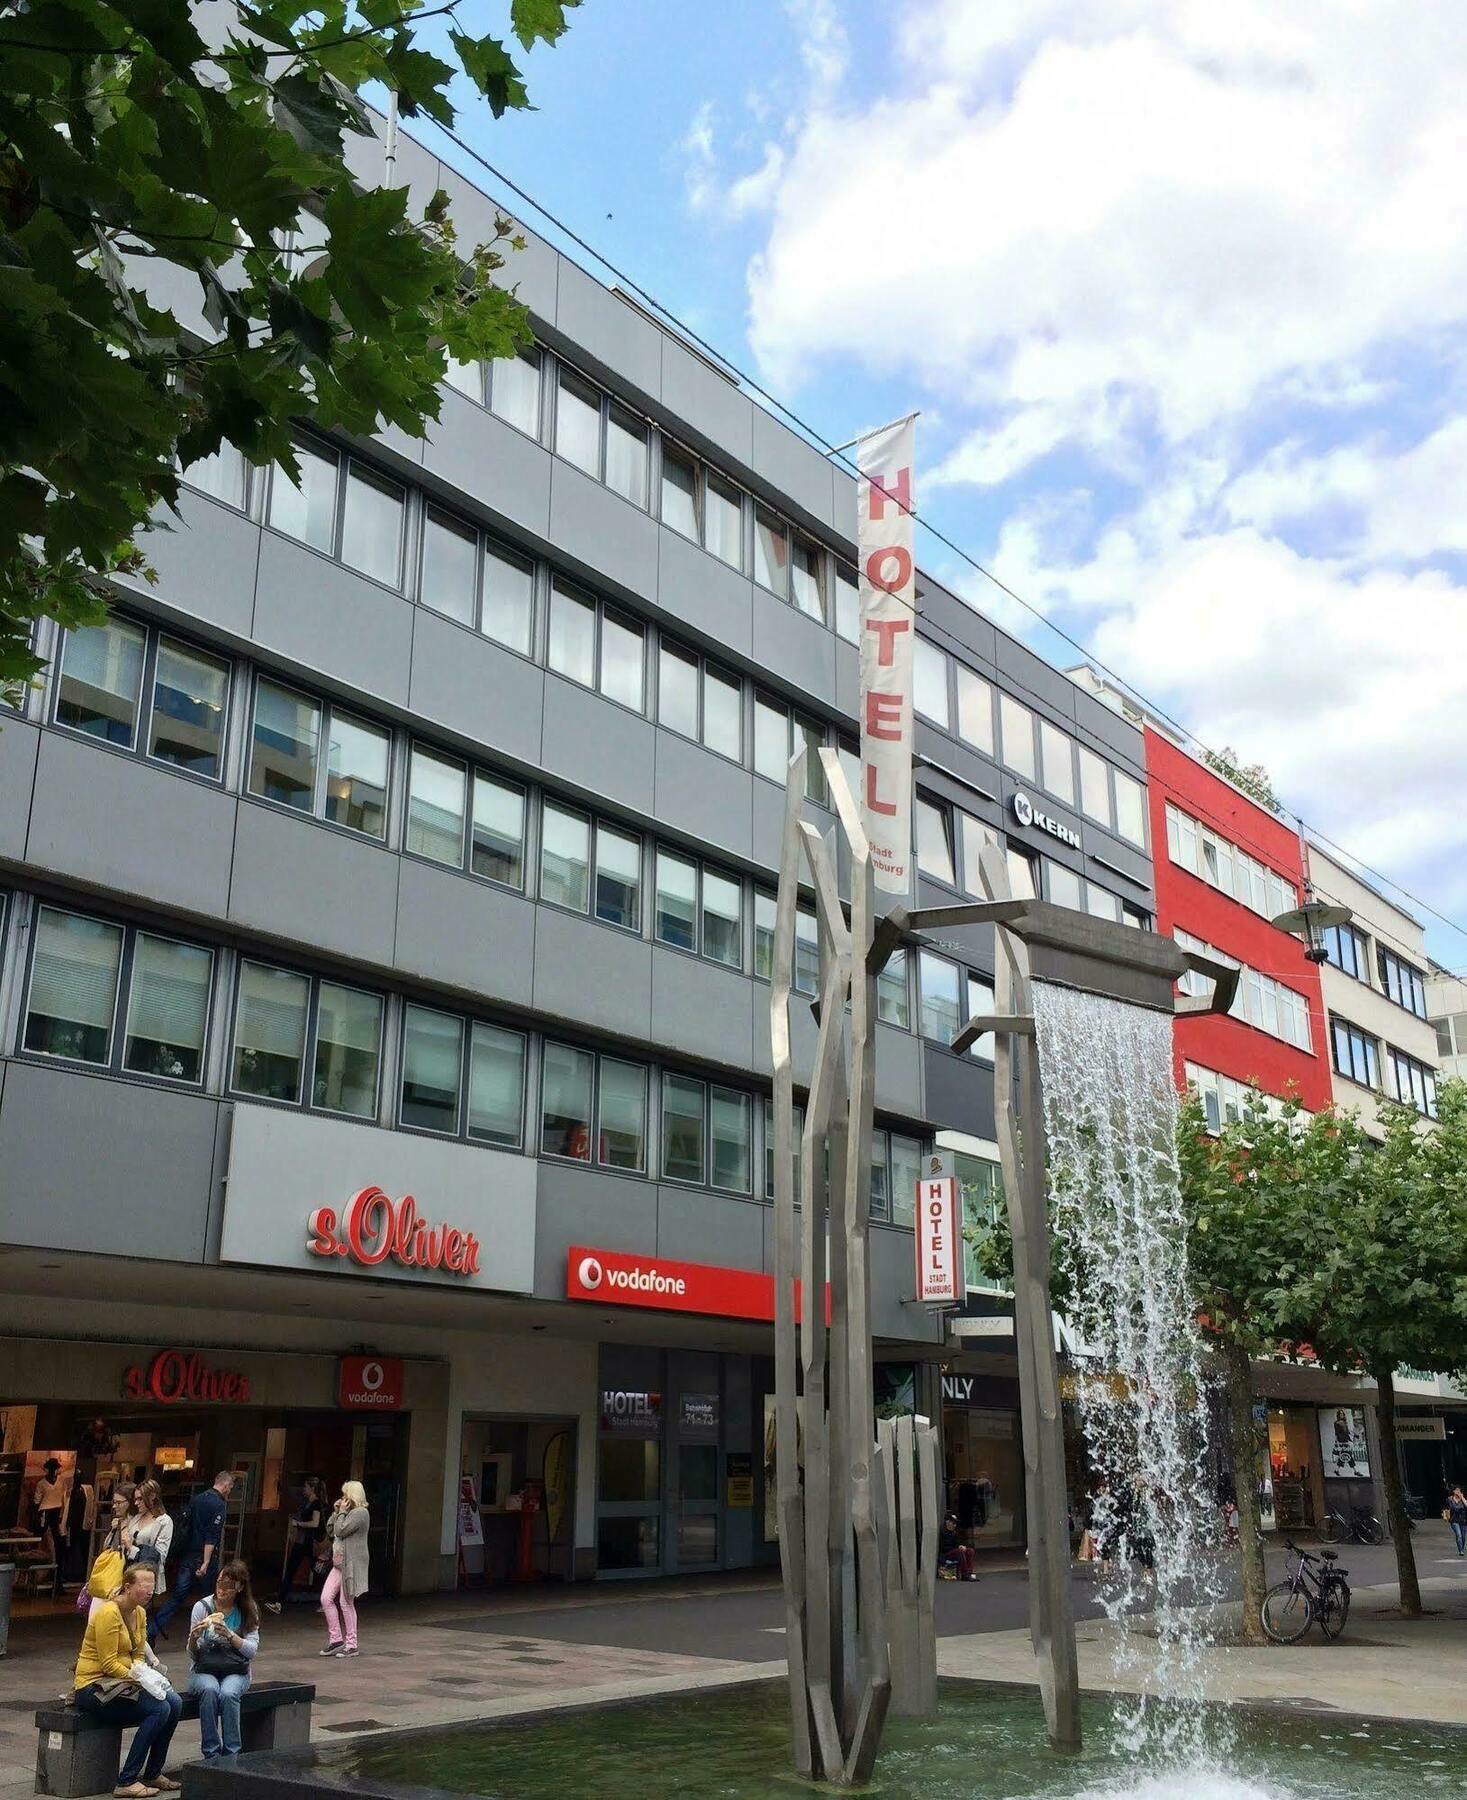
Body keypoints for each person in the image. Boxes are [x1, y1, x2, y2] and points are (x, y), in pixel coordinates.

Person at [73, 1563, 183, 1798]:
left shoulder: (140, 1613)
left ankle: (153, 1772)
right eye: (144, 1585)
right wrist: (140, 1679)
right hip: (94, 1685)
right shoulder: (108, 1613)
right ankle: (127, 1779)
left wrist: (146, 1675)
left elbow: (138, 1655)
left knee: (175, 1703)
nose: (149, 1591)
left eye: (152, 1586)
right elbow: (108, 1664)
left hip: (122, 1682)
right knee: (158, 1709)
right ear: (127, 1586)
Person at [186, 1560, 260, 1760]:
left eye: (229, 1585)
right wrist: (194, 1637)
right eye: (219, 1583)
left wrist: (230, 1635)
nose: (222, 1589)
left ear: (240, 1587)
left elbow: (252, 1651)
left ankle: (232, 1754)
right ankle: (211, 1753)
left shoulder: (248, 1609)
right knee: (210, 1690)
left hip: (236, 1670)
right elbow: (193, 1655)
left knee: (228, 1693)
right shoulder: (202, 1607)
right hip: (204, 1669)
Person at [151, 1471, 232, 1643]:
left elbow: (185, 1525)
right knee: (212, 1598)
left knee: (177, 1596)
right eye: (230, 1488)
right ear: (225, 1485)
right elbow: (212, 1534)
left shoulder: (197, 1498)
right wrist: (206, 1561)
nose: (229, 1492)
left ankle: (152, 1630)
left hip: (188, 1555)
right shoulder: (218, 1505)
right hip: (203, 1556)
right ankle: (211, 1636)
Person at [320, 1481, 369, 1657]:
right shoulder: (345, 1513)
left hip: (351, 1565)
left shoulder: (361, 1514)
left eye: (345, 1495)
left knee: (346, 1603)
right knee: (326, 1598)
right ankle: (336, 1639)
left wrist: (340, 1513)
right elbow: (331, 1529)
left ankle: (352, 1643)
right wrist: (335, 1512)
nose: (342, 1498)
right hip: (339, 1564)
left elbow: (341, 1530)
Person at [265, 1477, 325, 1615]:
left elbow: (315, 1523)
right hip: (302, 1541)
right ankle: (280, 1601)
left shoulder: (315, 1504)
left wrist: (298, 1524)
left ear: (312, 1488)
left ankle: (327, 1599)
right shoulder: (306, 1503)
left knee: (313, 1570)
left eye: (306, 1487)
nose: (304, 1489)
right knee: (309, 1570)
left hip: (308, 1541)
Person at [129, 1483, 174, 1622]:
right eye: (135, 1499)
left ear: (153, 1496)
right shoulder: (136, 1518)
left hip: (146, 1575)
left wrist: (132, 1549)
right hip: (128, 1572)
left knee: (138, 1618)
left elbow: (160, 1555)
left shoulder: (164, 1521)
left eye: (140, 1499)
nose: (136, 1503)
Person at [34, 1457, 70, 1566]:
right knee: (42, 1534)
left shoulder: (61, 1481)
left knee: (57, 1535)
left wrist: (63, 1512)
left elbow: (64, 1497)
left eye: (54, 1469)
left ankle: (58, 1561)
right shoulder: (41, 1483)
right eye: (51, 1469)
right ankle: (39, 1556)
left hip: (57, 1510)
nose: (52, 1471)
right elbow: (37, 1499)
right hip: (45, 1510)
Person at [938, 1513, 977, 1581]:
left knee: (970, 1550)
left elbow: (957, 1543)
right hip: (946, 1553)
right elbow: (944, 1547)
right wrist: (958, 1548)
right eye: (953, 1523)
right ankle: (964, 1574)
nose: (954, 1525)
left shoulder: (954, 1533)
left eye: (955, 1524)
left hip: (954, 1551)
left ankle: (969, 1572)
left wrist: (961, 1546)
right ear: (948, 1522)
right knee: (960, 1552)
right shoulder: (943, 1532)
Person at [1447, 1484, 1467, 1556]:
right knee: (1459, 1535)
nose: (1458, 1491)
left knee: (1463, 1537)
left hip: (1464, 1520)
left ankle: (1462, 1548)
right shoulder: (1450, 1499)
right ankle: (1460, 1550)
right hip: (1454, 1520)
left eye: (1459, 1490)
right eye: (1457, 1490)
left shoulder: (1463, 1499)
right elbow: (1453, 1507)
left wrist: (1462, 1498)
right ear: (1453, 1491)